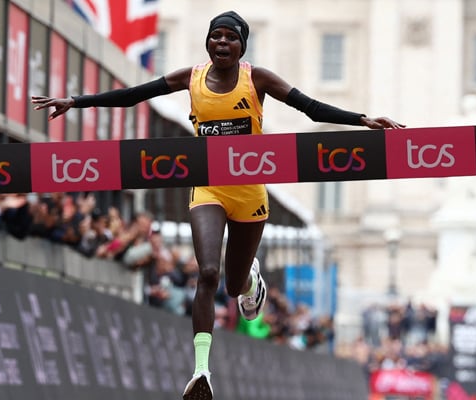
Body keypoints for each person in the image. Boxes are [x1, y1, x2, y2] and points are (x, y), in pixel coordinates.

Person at [31, 10, 404, 400]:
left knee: (231, 283)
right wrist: (77, 101)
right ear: (207, 42)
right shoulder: (189, 79)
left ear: (242, 45)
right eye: (215, 37)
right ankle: (201, 372)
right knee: (207, 272)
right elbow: (135, 94)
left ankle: (249, 281)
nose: (221, 43)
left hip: (249, 196)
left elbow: (309, 108)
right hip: (208, 189)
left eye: (230, 38)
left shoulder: (255, 79)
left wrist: (362, 120)